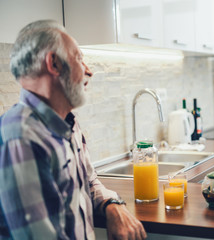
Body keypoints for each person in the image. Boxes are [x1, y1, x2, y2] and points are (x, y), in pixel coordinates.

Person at [0, 20, 146, 240]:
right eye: (79, 58)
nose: (89, 71)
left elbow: (89, 181)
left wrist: (112, 205)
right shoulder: (21, 136)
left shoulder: (67, 122)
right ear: (54, 64)